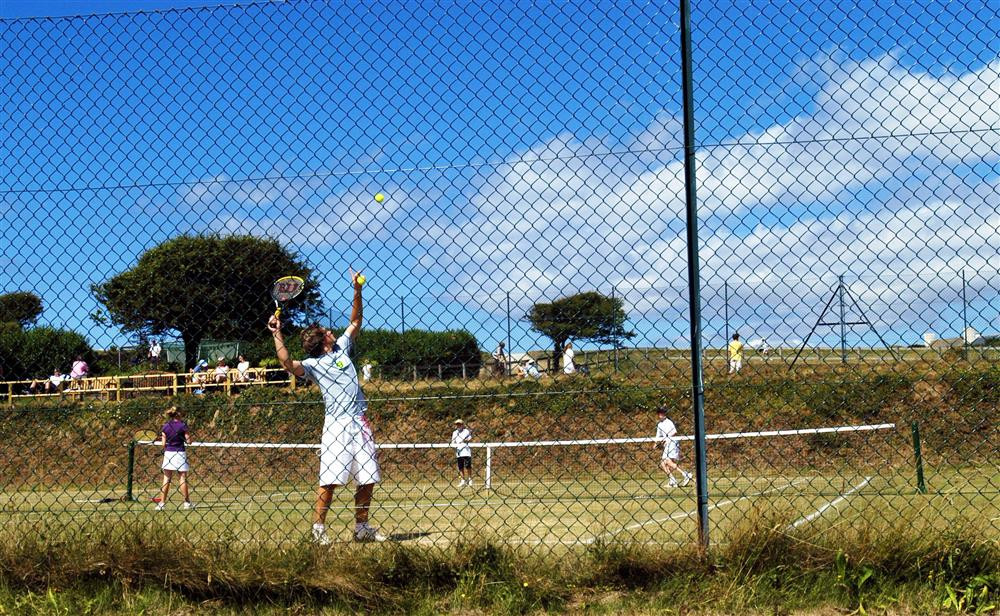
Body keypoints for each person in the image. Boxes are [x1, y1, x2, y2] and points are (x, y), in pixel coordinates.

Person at [269, 270, 385, 544]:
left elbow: (356, 320)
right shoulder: (313, 365)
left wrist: (357, 290)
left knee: (367, 477)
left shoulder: (342, 348)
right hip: (335, 426)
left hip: (359, 421)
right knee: (330, 480)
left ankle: (361, 527)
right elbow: (287, 363)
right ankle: (318, 530)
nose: (332, 331)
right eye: (326, 332)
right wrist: (277, 333)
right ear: (322, 342)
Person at [153, 406, 194, 510]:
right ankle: (187, 503)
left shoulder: (165, 426)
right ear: (179, 414)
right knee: (182, 478)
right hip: (180, 453)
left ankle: (162, 504)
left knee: (166, 479)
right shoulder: (183, 426)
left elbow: (163, 444)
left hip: (169, 453)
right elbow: (189, 441)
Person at [655, 407, 692, 488]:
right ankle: (672, 480)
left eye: (663, 413)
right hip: (667, 444)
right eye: (660, 413)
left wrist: (666, 437)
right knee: (663, 463)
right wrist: (655, 443)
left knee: (667, 461)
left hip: (672, 442)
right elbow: (658, 436)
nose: (661, 415)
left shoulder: (668, 422)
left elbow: (674, 431)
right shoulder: (659, 424)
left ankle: (685, 474)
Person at [450, 419, 473, 487]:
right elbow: (453, 441)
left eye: (459, 424)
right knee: (461, 467)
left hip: (466, 452)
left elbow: (469, 438)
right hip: (459, 452)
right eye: (457, 424)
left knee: (468, 466)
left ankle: (470, 479)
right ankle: (463, 480)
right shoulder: (454, 433)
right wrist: (454, 445)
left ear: (462, 425)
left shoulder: (466, 431)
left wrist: (466, 440)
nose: (458, 425)